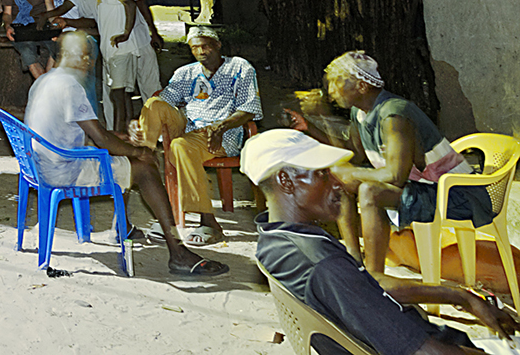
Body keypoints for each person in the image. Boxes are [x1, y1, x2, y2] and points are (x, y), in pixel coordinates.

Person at [249, 128, 515, 354]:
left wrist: (460, 296)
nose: (338, 183)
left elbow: (364, 283)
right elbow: (421, 351)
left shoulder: (277, 239)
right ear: (285, 180)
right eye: (322, 174)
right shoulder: (323, 265)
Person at [26, 31, 228, 276]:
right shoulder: (70, 86)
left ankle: (122, 228)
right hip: (64, 171)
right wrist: (138, 151)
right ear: (66, 55)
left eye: (90, 57)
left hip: (38, 164)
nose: (89, 62)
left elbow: (91, 131)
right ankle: (178, 253)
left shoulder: (44, 80)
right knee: (144, 167)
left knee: (126, 160)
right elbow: (100, 139)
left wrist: (119, 139)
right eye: (83, 56)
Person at [321, 51, 493, 276]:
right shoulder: (360, 113)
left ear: (362, 86)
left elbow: (394, 176)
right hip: (423, 188)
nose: (331, 90)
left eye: (337, 82)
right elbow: (356, 156)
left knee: (370, 191)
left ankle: (375, 277)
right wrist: (316, 121)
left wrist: (351, 173)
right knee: (340, 182)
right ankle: (355, 261)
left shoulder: (394, 115)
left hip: (456, 195)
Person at [135, 26, 261, 244]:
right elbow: (166, 100)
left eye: (206, 46)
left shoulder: (240, 67)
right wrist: (142, 125)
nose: (201, 52)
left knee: (181, 147)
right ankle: (145, 155)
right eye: (195, 48)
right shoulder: (186, 73)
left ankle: (208, 221)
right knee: (153, 103)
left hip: (224, 132)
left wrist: (220, 127)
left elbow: (249, 108)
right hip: (189, 127)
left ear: (218, 45)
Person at [72, 0, 158, 135]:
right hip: (114, 52)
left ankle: (118, 135)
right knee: (121, 96)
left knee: (118, 95)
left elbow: (131, 3)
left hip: (122, 51)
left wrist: (126, 33)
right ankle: (123, 133)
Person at [6, 0, 57, 80]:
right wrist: (7, 26)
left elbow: (50, 7)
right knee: (27, 50)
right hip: (20, 25)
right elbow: (7, 13)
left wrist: (54, 24)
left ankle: (45, 83)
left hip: (41, 23)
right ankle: (46, 85)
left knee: (58, 47)